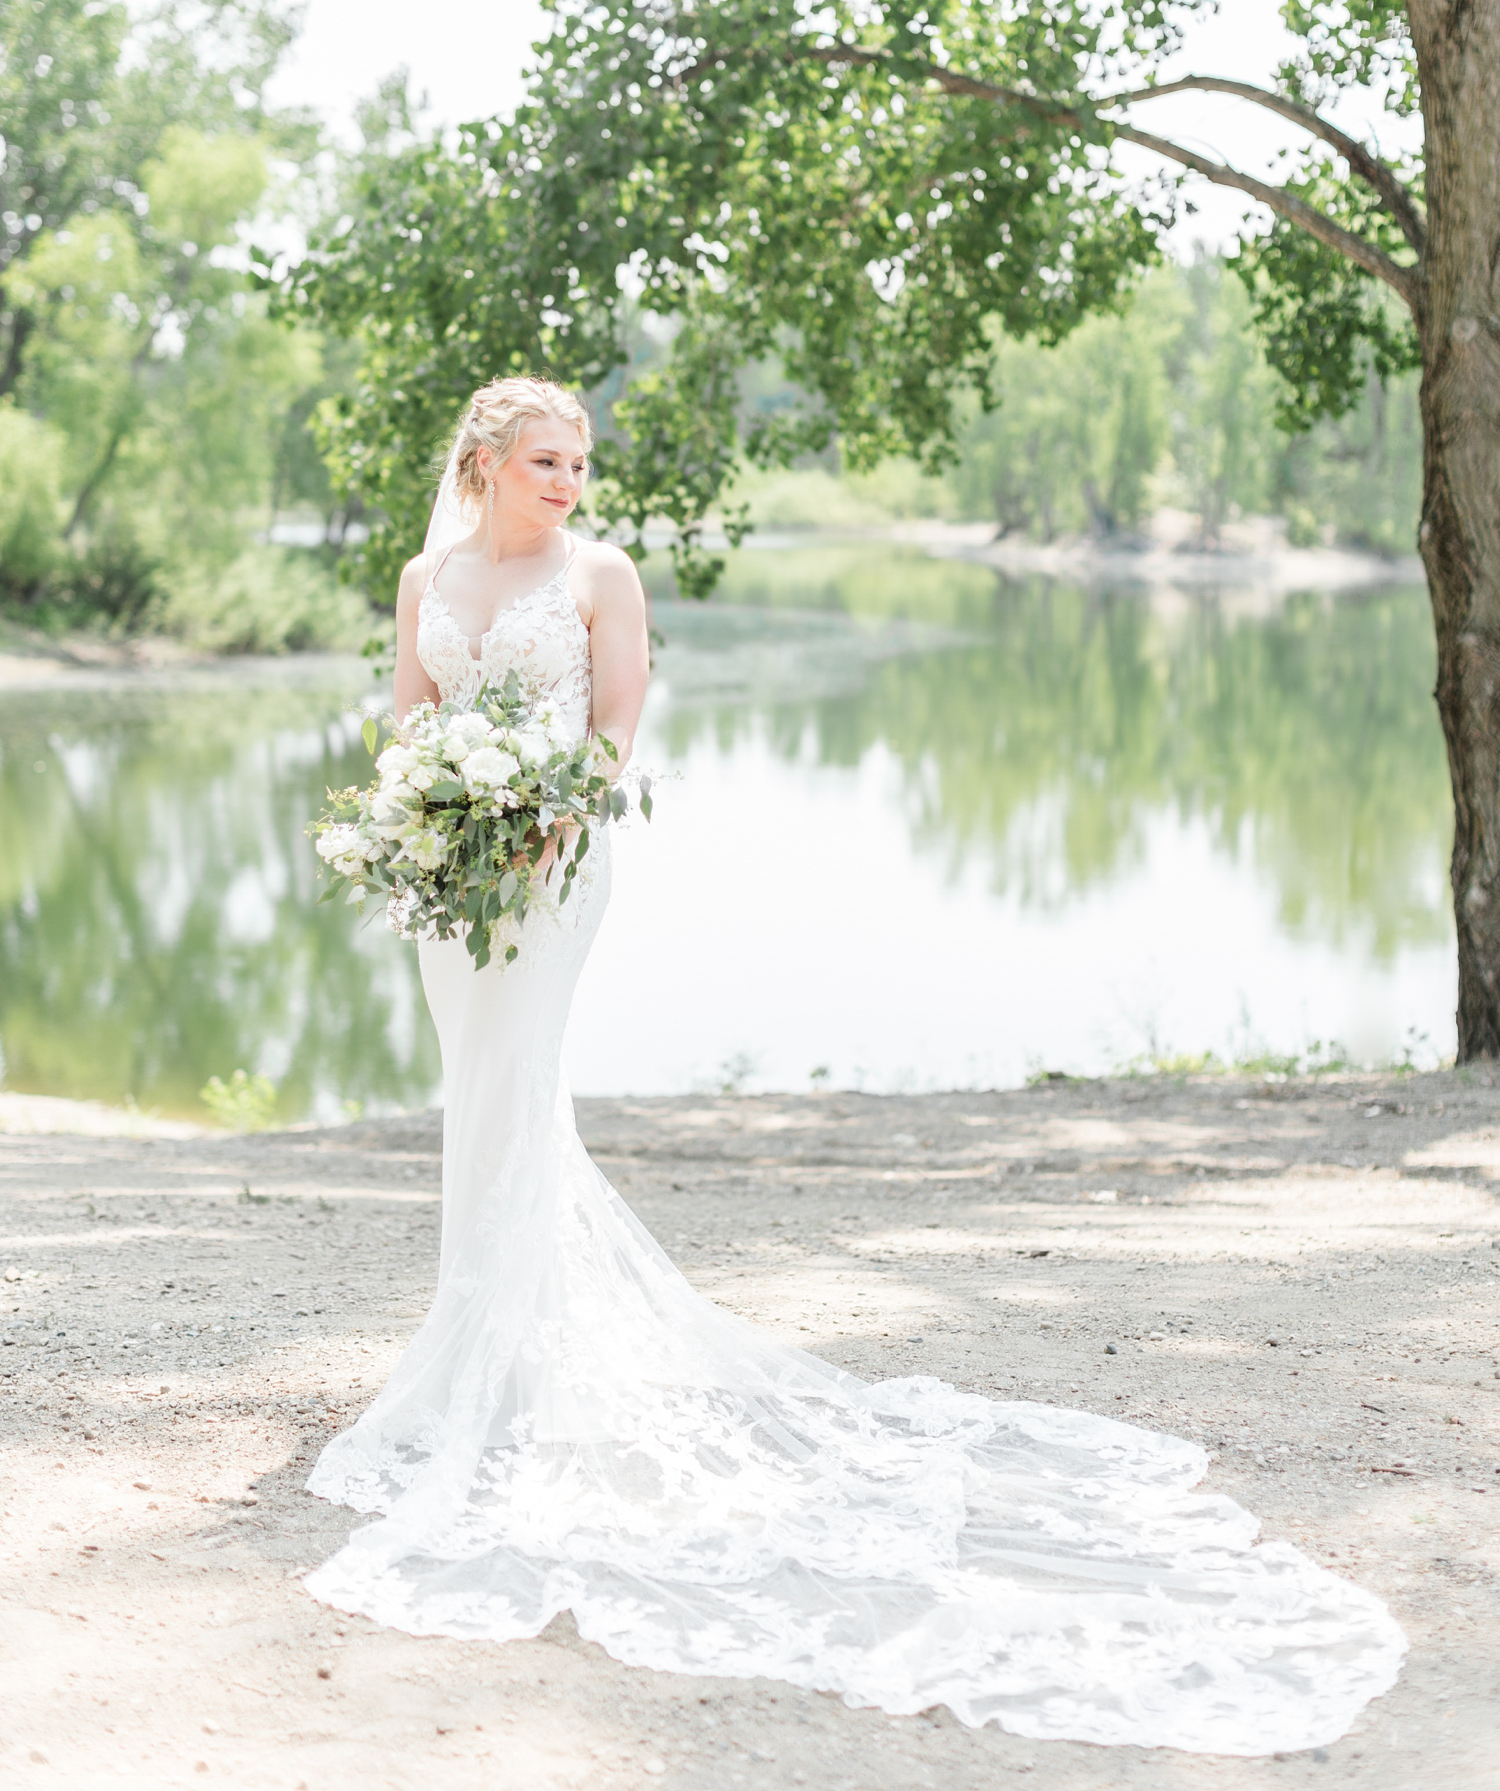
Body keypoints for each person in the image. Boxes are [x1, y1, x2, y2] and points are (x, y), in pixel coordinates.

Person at [306, 375, 1403, 1757]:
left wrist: (541, 817)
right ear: (482, 458)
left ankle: (504, 1369)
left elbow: (614, 730)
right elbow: (409, 713)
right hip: (454, 883)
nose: (571, 480)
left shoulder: (603, 571)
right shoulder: (429, 572)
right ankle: (484, 1344)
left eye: (581, 459)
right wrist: (427, 804)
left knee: (521, 1087)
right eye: (546, 459)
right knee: (479, 1097)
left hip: (555, 866)